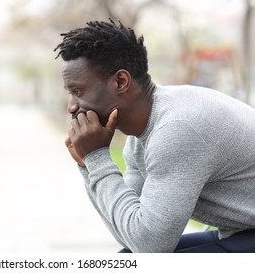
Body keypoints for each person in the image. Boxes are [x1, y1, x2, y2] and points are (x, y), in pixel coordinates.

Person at [54, 19, 255, 253]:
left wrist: (98, 159)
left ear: (121, 81)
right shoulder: (140, 138)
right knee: (127, 258)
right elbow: (131, 232)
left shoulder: (176, 130)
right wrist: (88, 165)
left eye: (78, 91)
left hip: (247, 234)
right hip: (241, 233)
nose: (71, 106)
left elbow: (150, 246)